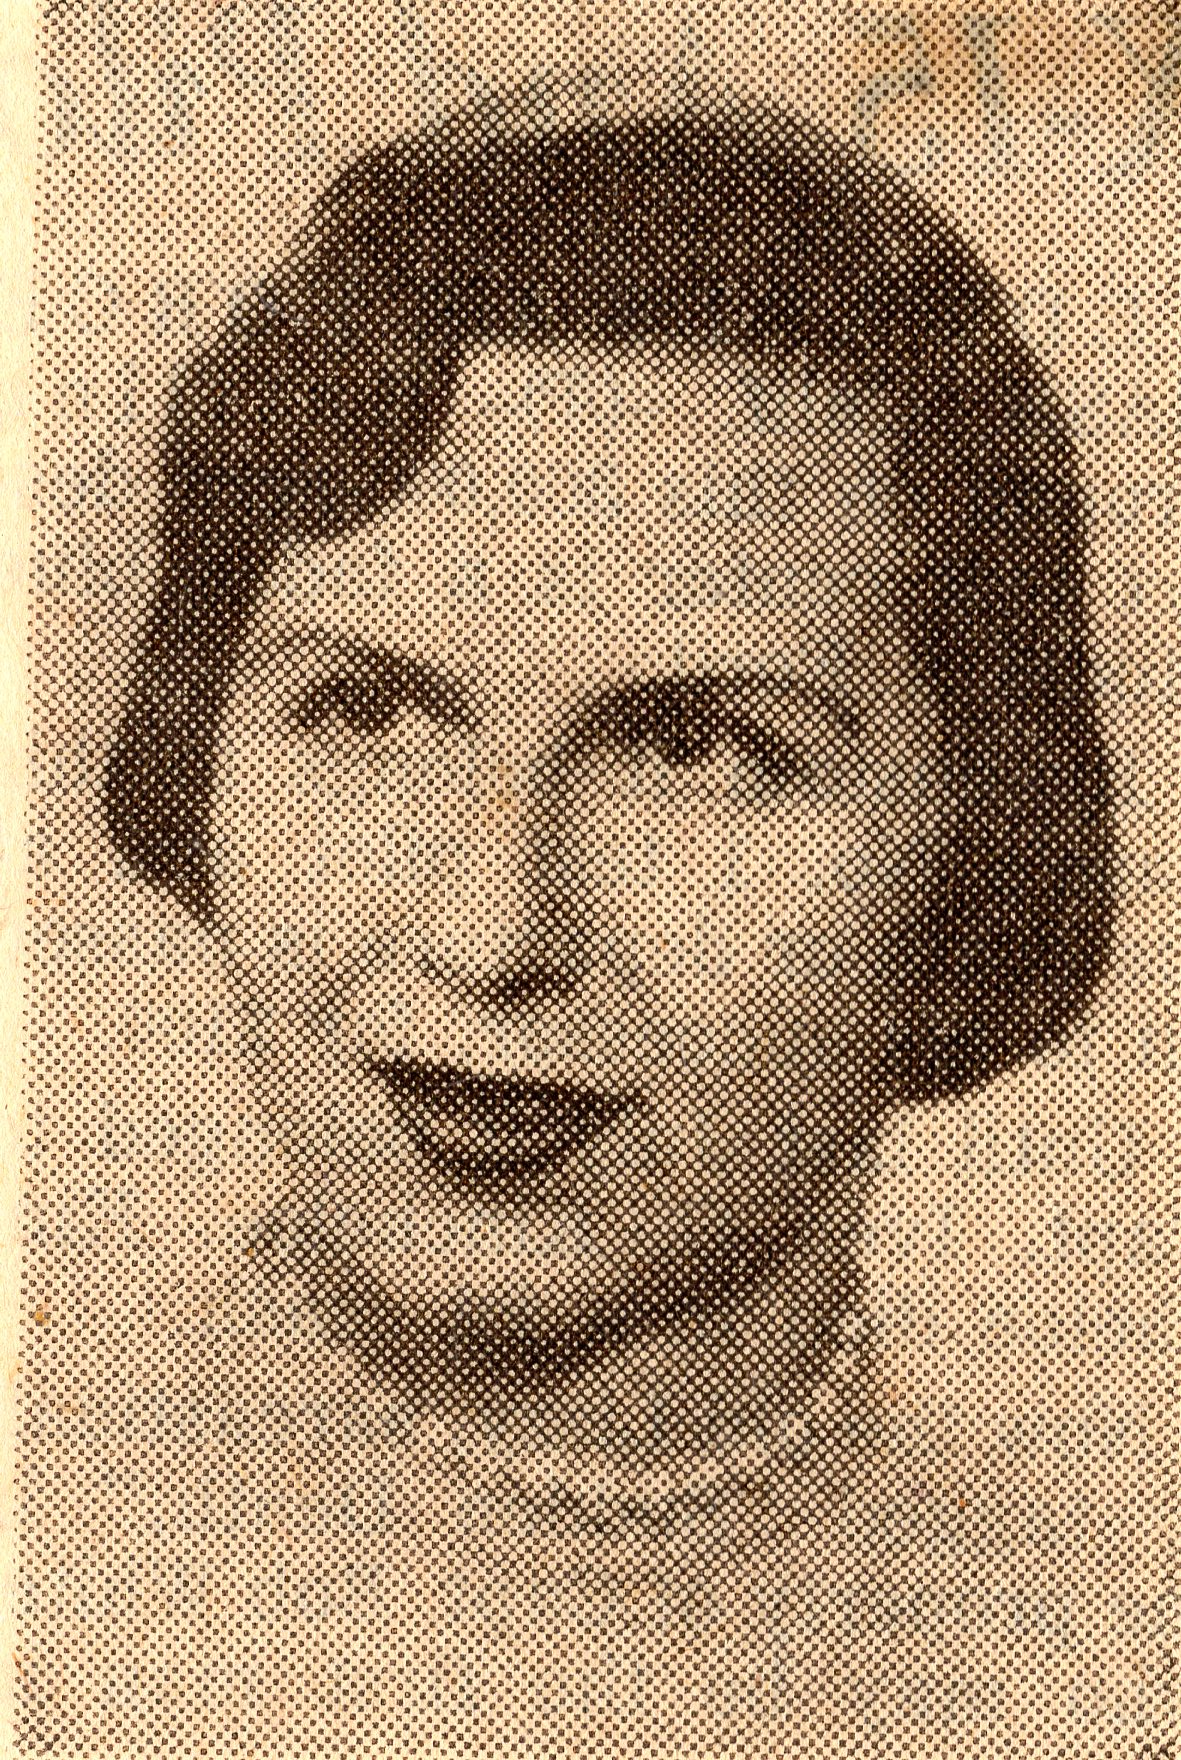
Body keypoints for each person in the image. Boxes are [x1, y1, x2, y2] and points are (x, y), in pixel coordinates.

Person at [98, 94, 1115, 1746]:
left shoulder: (1111, 1650)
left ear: (982, 837)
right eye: (366, 711)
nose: (491, 930)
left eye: (691, 746)